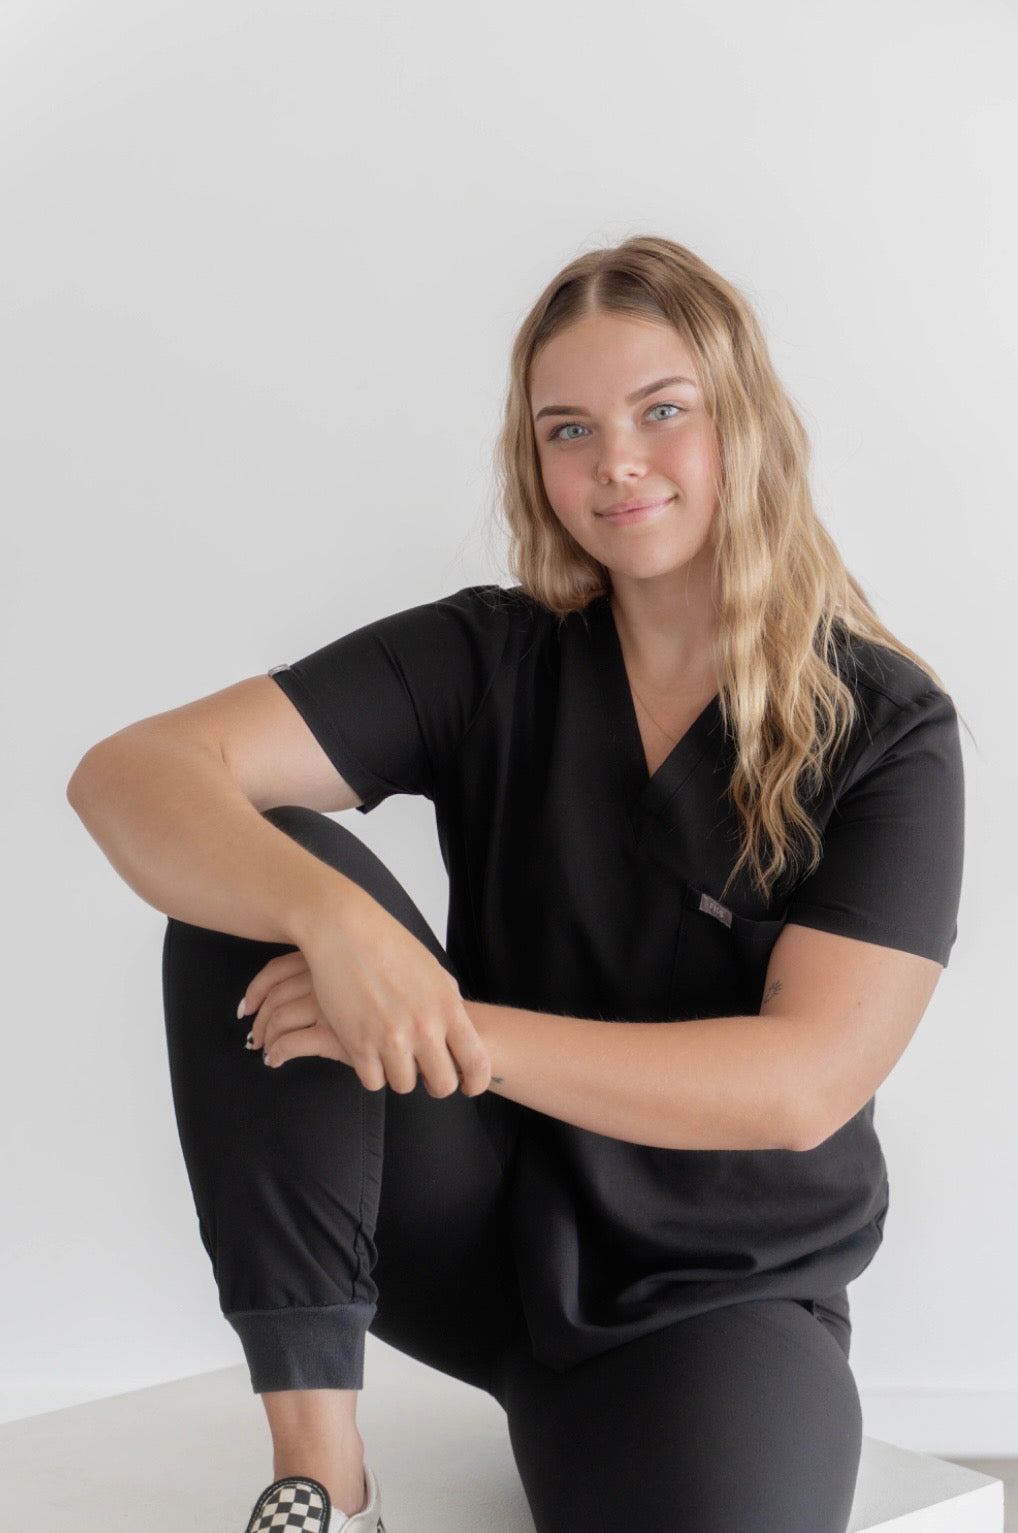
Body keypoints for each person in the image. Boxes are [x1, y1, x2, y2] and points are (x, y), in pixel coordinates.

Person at [67, 234, 966, 1533]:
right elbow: (131, 773)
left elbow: (800, 1085)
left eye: (662, 411)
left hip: (714, 1292)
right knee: (257, 872)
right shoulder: (489, 654)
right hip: (476, 1236)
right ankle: (323, 1481)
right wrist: (334, 923)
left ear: (747, 423)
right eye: (568, 429)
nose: (616, 462)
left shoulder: (883, 726)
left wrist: (450, 1025)